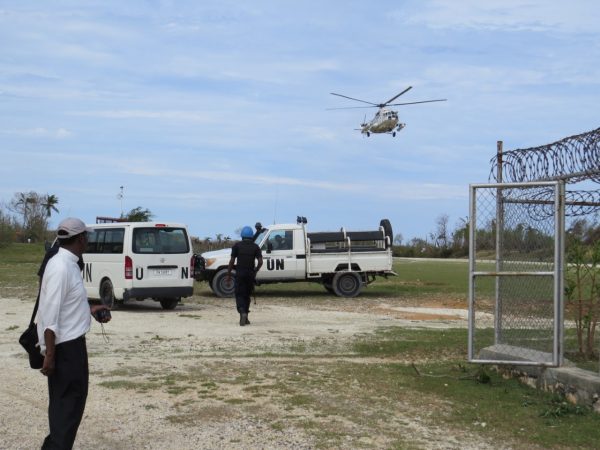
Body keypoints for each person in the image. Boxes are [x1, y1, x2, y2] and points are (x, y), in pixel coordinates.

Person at [37, 217, 111, 449]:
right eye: (86, 237)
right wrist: (50, 355)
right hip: (65, 349)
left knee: (69, 408)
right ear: (80, 239)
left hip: (71, 347)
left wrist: (89, 309)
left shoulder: (68, 262)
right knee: (66, 411)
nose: (87, 240)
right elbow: (49, 314)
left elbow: (66, 304)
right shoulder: (61, 266)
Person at [227, 225, 263, 326]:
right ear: (251, 236)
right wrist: (255, 271)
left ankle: (242, 312)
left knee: (239, 294)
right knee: (247, 295)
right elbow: (260, 262)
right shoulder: (256, 247)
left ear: (242, 236)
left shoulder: (237, 246)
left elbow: (232, 261)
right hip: (250, 275)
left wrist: (229, 275)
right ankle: (246, 316)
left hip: (240, 274)